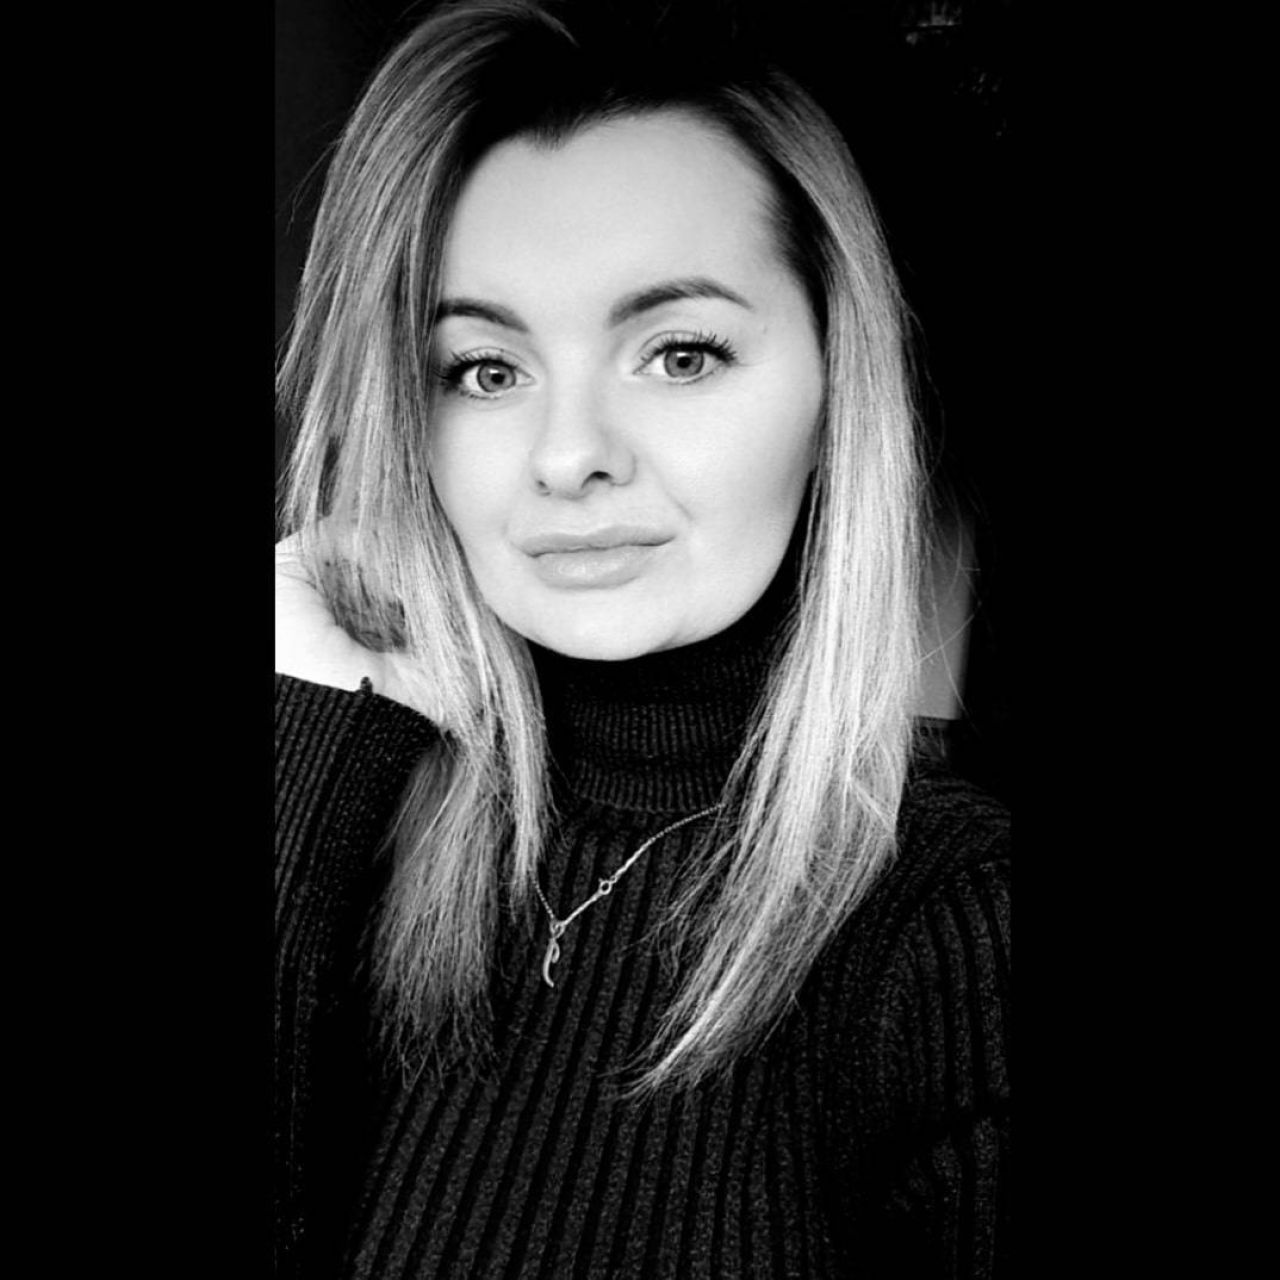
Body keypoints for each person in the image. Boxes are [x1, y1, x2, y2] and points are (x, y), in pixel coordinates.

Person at [274, 1, 1010, 1276]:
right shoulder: (347, 813)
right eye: (484, 370)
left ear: (841, 385)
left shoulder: (957, 927)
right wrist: (307, 715)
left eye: (678, 353)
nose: (568, 457)